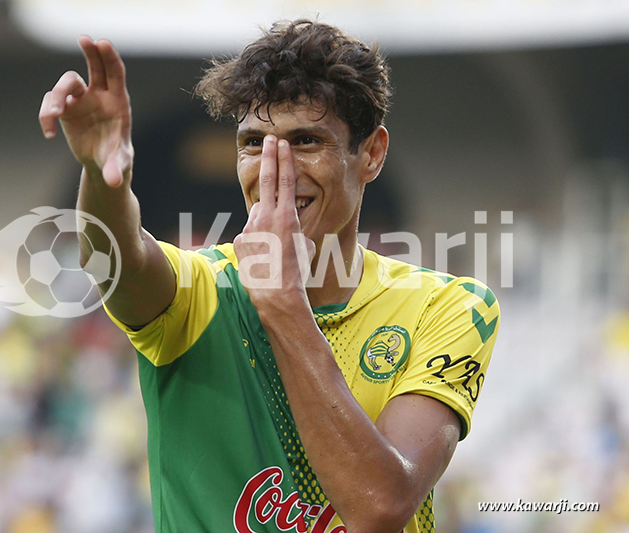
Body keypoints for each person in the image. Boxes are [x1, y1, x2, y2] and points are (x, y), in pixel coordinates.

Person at [39, 19, 499, 533]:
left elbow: (381, 506)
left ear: (371, 153)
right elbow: (115, 261)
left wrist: (282, 303)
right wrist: (105, 178)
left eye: (305, 141)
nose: (275, 169)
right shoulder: (199, 291)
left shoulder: (446, 306)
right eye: (254, 143)